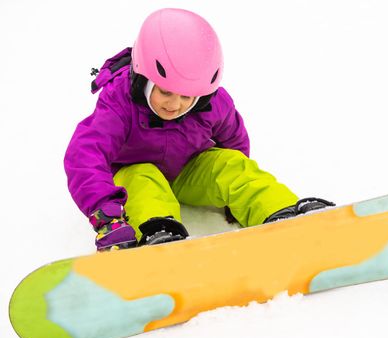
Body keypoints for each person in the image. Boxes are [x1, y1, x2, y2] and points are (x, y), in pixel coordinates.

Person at [64, 8, 335, 251]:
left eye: (187, 96)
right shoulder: (119, 101)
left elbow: (234, 141)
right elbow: (85, 154)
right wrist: (105, 213)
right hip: (134, 173)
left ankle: (282, 212)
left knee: (228, 163)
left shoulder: (213, 103)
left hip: (187, 170)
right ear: (143, 76)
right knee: (142, 177)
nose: (175, 104)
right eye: (166, 92)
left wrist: (233, 196)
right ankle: (159, 233)